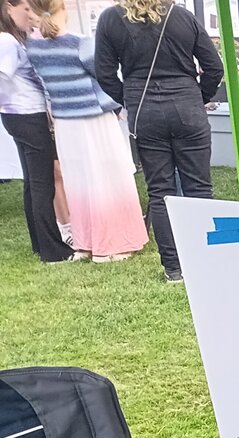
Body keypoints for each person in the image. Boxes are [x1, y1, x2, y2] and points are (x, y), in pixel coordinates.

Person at [95, 0, 220, 283]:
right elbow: (214, 67)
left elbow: (104, 74)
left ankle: (174, 268)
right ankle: (206, 261)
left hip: (145, 109)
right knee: (199, 188)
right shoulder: (182, 17)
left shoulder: (110, 19)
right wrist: (199, 98)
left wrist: (129, 99)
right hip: (187, 104)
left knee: (161, 192)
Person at [24, 0, 145, 262]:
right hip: (95, 121)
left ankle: (86, 243)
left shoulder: (33, 47)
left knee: (78, 184)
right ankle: (113, 244)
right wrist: (119, 105)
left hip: (65, 122)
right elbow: (106, 79)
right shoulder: (82, 44)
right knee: (108, 180)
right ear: (63, 9)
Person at [0, 0, 72, 262]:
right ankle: (54, 250)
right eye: (25, 9)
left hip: (19, 114)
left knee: (33, 182)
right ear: (9, 8)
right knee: (42, 183)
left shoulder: (13, 40)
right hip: (27, 114)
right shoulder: (7, 42)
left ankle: (40, 242)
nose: (30, 15)